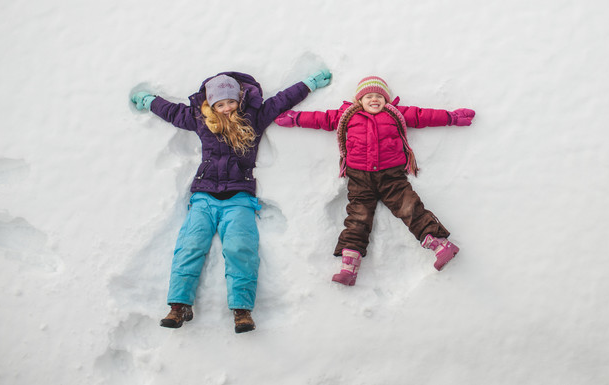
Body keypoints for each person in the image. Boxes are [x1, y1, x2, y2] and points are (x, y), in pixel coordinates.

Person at [130, 69, 331, 332]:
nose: (226, 108)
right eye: (220, 104)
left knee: (241, 249)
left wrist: (309, 83)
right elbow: (173, 112)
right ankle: (178, 306)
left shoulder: (254, 117)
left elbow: (282, 100)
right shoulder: (200, 118)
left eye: (231, 102)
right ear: (211, 103)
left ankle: (242, 310)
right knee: (190, 246)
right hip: (203, 196)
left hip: (240, 197)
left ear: (240, 98)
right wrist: (149, 101)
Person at [275, 76, 474, 286]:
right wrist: (295, 118)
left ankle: (441, 246)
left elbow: (423, 116)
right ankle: (349, 266)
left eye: (379, 96)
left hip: (391, 177)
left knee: (410, 208)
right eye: (368, 96)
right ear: (359, 100)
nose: (374, 99)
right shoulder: (346, 115)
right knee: (358, 218)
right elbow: (320, 119)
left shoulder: (395, 113)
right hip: (359, 179)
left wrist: (451, 117)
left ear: (386, 99)